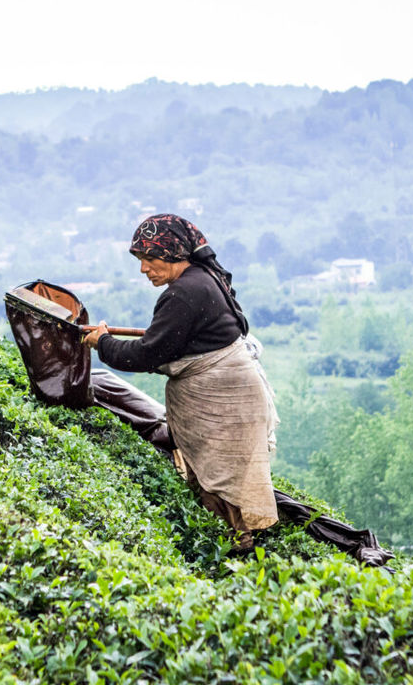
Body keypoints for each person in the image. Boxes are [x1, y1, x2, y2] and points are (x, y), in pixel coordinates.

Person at [82, 213, 278, 552]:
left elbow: (146, 355)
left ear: (173, 253)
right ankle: (237, 554)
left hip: (225, 407)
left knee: (222, 487)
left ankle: (236, 560)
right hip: (233, 400)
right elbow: (175, 342)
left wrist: (103, 342)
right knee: (220, 487)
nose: (144, 269)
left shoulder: (184, 294)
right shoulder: (201, 280)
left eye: (150, 259)